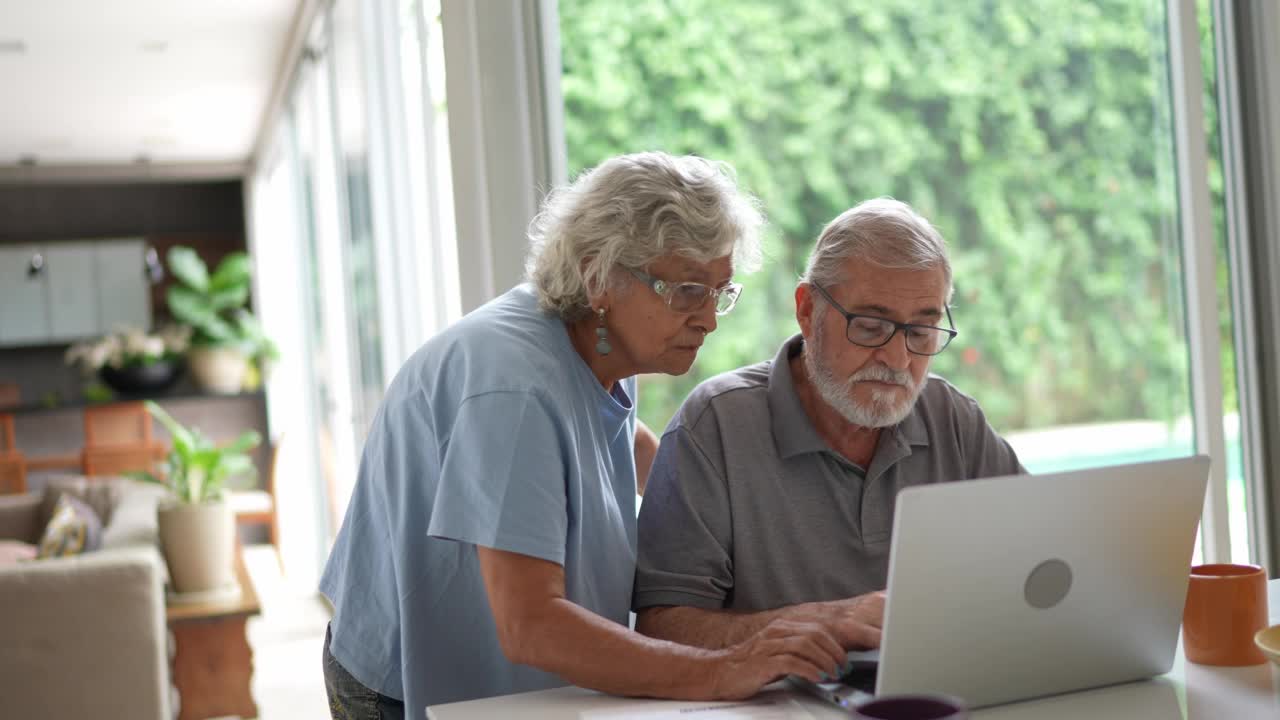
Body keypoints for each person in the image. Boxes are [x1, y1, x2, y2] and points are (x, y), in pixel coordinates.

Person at [319, 152, 850, 717]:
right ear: (600, 275)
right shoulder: (513, 391)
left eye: (719, 290)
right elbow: (533, 626)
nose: (710, 319)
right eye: (688, 291)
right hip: (393, 683)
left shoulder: (603, 340)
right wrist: (724, 670)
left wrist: (746, 518)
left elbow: (620, 439)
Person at [632, 197, 1026, 651]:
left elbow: (1041, 564)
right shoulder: (715, 425)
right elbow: (663, 628)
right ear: (807, 311)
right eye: (871, 326)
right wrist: (818, 626)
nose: (898, 360)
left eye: (920, 332)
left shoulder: (952, 421)